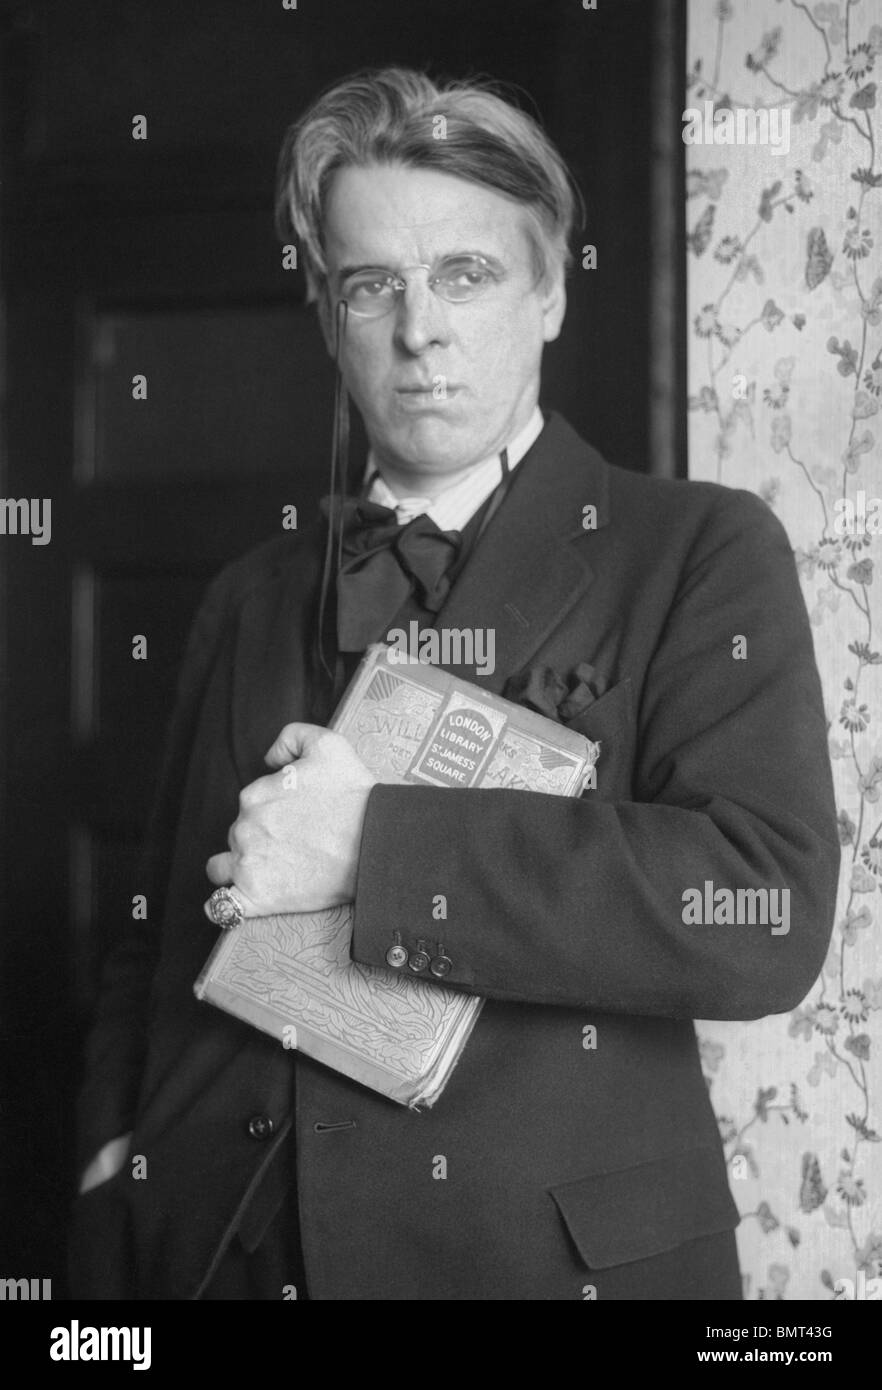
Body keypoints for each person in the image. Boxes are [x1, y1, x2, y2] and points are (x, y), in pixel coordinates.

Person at [70, 67, 840, 1301]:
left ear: (549, 293)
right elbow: (146, 939)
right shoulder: (243, 595)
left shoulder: (700, 548)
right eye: (373, 284)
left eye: (465, 276)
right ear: (328, 311)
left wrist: (376, 848)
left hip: (540, 1269)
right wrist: (113, 1166)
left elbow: (764, 909)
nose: (418, 330)